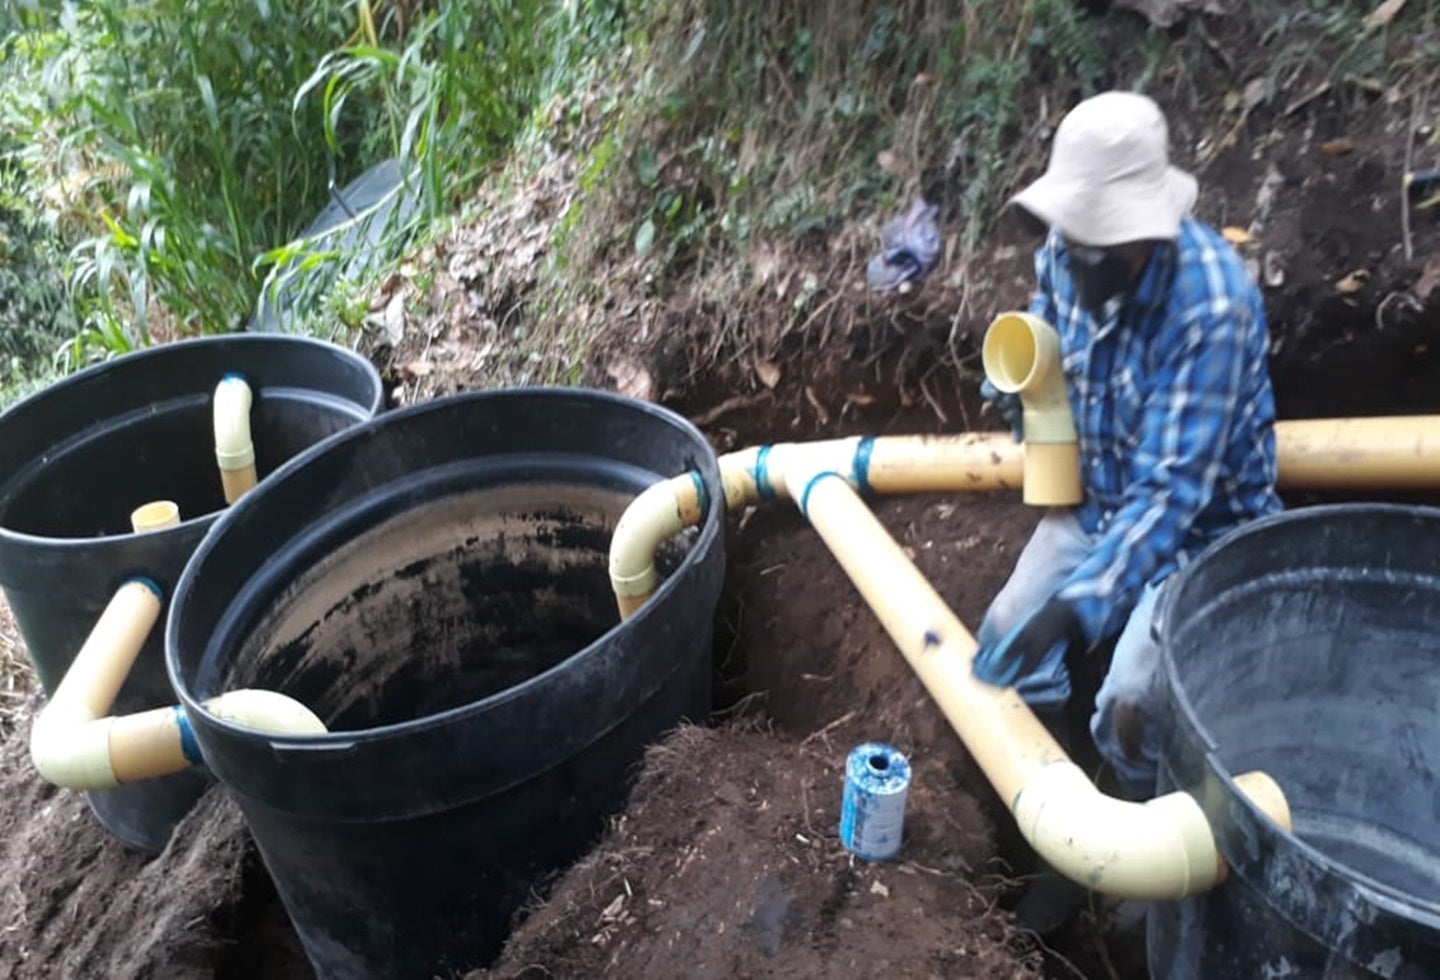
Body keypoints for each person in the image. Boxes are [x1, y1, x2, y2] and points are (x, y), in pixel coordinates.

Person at [970, 90, 1283, 928]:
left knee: (1130, 703)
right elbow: (1044, 332)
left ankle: (1142, 848)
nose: (1069, 254)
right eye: (1067, 236)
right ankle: (1063, 845)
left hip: (1204, 538)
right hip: (1097, 501)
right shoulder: (1070, 250)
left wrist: (1079, 605)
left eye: (1092, 241)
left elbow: (1172, 497)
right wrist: (1017, 390)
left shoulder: (1209, 305)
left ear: (1145, 234)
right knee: (1006, 634)